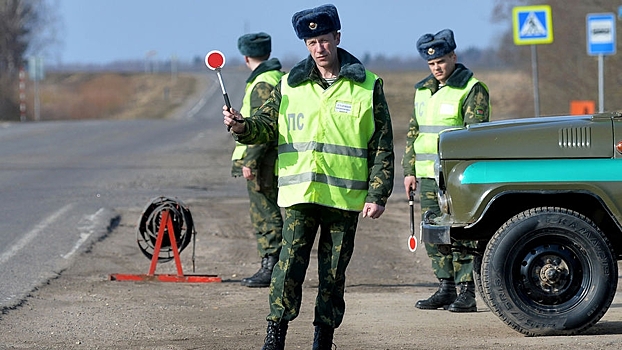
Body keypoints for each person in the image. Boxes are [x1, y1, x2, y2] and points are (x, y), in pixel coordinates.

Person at [223, 4, 394, 349]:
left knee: (332, 276)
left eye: (325, 40)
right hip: (299, 195)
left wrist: (377, 194)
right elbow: (266, 125)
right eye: (312, 41)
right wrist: (242, 126)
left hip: (343, 200)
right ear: (305, 44)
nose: (319, 48)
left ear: (337, 38)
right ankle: (275, 337)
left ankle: (323, 339)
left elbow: (382, 144)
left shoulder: (367, 85)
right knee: (287, 270)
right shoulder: (289, 84)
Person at [402, 29, 490, 313]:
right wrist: (409, 170)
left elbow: (474, 137)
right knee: (433, 233)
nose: (436, 67)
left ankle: (466, 291)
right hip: (427, 174)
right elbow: (414, 133)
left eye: (441, 60)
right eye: (431, 63)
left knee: (460, 232)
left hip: (454, 176)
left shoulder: (471, 88)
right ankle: (445, 287)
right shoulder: (422, 91)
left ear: (453, 56)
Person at [231, 32, 285, 288]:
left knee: (265, 212)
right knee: (267, 209)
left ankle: (271, 265)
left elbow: (262, 125)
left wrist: (250, 161)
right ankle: (271, 263)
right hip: (267, 158)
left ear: (245, 56)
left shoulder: (263, 82)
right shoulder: (273, 77)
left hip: (263, 160)